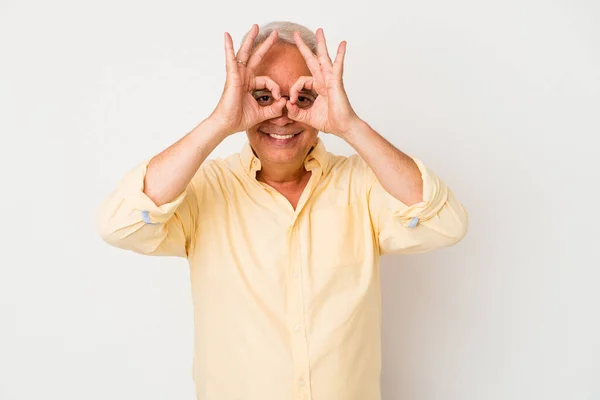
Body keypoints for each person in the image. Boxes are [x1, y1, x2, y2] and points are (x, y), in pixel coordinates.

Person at [96, 20, 469, 400]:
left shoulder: (363, 185)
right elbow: (120, 225)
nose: (283, 114)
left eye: (303, 98)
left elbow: (446, 224)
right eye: (263, 97)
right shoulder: (205, 188)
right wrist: (219, 123)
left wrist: (351, 126)